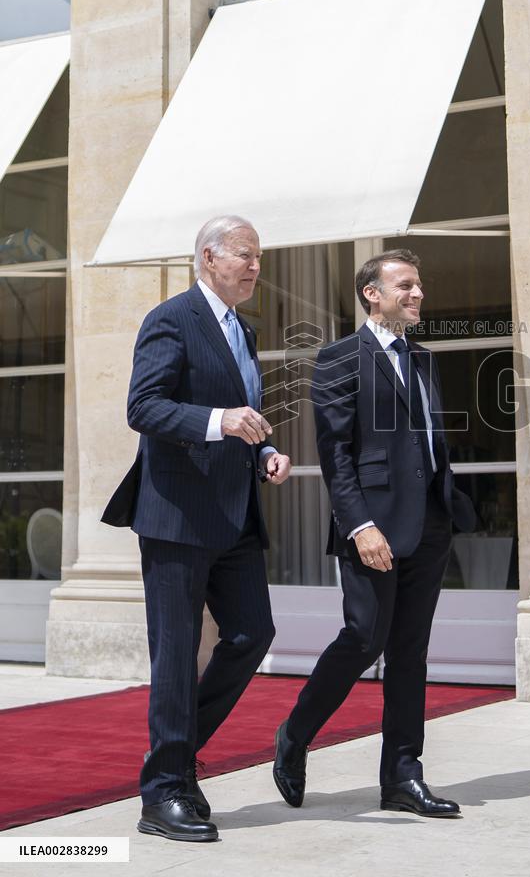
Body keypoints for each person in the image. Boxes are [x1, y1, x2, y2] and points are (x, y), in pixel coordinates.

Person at [102, 215, 291, 842]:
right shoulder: (171, 318)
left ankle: (174, 761)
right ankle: (163, 796)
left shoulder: (245, 330)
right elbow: (144, 406)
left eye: (259, 258)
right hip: (178, 516)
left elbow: (244, 418)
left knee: (251, 634)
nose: (255, 267)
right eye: (245, 255)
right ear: (209, 257)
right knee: (178, 655)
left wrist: (262, 452)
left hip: (234, 515)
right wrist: (221, 421)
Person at [273, 249, 475, 818]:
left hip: (431, 524)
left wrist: (447, 503)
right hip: (372, 527)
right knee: (365, 638)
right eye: (405, 286)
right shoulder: (339, 360)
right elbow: (335, 455)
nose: (417, 294)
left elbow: (428, 443)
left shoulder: (424, 360)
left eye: (419, 285)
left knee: (410, 652)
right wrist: (359, 524)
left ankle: (402, 778)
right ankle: (295, 732)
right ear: (372, 294)